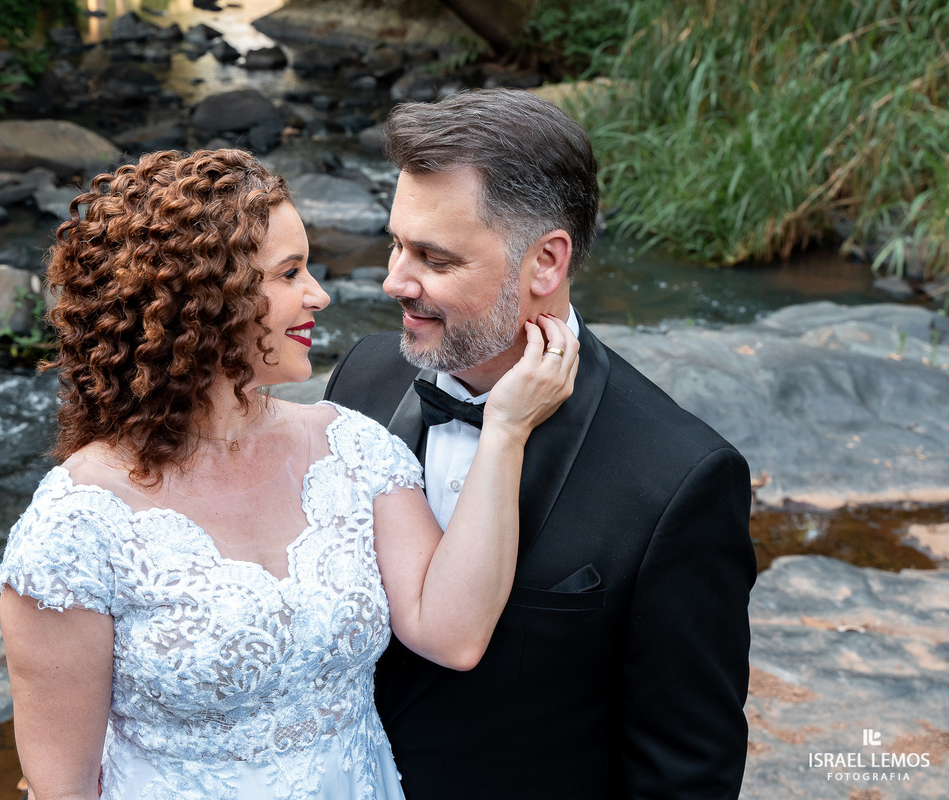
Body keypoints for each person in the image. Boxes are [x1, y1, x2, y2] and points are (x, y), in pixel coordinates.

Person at [0, 148, 579, 800]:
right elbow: (62, 789)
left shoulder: (352, 450)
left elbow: (454, 634)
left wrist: (506, 430)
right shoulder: (73, 527)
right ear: (200, 300)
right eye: (290, 272)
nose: (319, 295)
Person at [324, 89, 758, 799]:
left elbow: (687, 774)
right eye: (397, 242)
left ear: (546, 263)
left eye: (433, 256)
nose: (393, 280)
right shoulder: (362, 379)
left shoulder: (678, 477)